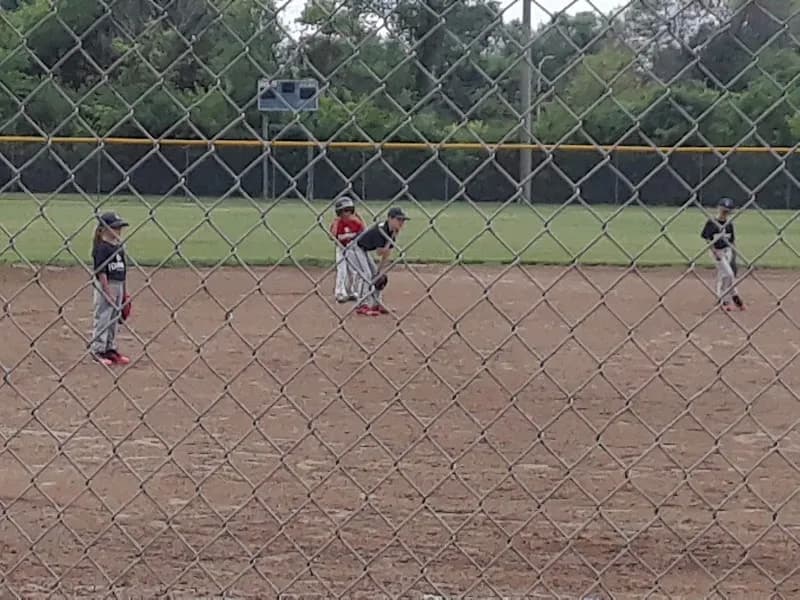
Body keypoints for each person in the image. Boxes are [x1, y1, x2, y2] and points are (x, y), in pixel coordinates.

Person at [347, 206, 410, 316]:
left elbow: (386, 255)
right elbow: (380, 252)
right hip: (354, 248)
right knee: (366, 275)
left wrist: (380, 271)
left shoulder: (392, 232)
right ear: (390, 218)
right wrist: (390, 241)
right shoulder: (381, 230)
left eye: (403, 220)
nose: (401, 222)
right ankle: (362, 305)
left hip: (363, 250)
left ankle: (377, 303)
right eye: (399, 219)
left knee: (379, 277)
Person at [90, 212, 131, 365]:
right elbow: (101, 272)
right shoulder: (102, 248)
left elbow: (123, 272)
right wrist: (107, 293)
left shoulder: (119, 247)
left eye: (120, 227)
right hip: (106, 286)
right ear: (104, 229)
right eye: (115, 227)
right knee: (103, 317)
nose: (118, 230)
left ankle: (110, 348)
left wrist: (125, 293)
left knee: (114, 317)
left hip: (118, 285)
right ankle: (98, 350)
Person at [701, 197, 745, 311]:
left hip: (727, 251)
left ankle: (732, 297)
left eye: (727, 211)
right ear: (718, 208)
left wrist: (734, 254)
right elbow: (707, 238)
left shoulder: (729, 224)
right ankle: (726, 300)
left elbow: (732, 241)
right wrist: (714, 251)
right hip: (717, 252)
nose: (725, 213)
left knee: (724, 275)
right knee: (728, 274)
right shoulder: (711, 222)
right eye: (723, 210)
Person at [330, 196, 365, 303]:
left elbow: (364, 230)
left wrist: (360, 218)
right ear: (339, 212)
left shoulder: (355, 222)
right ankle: (339, 292)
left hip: (352, 249)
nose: (348, 213)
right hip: (341, 249)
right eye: (345, 211)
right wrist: (335, 223)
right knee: (342, 271)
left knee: (352, 272)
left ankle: (350, 292)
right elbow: (332, 236)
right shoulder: (338, 223)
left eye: (350, 210)